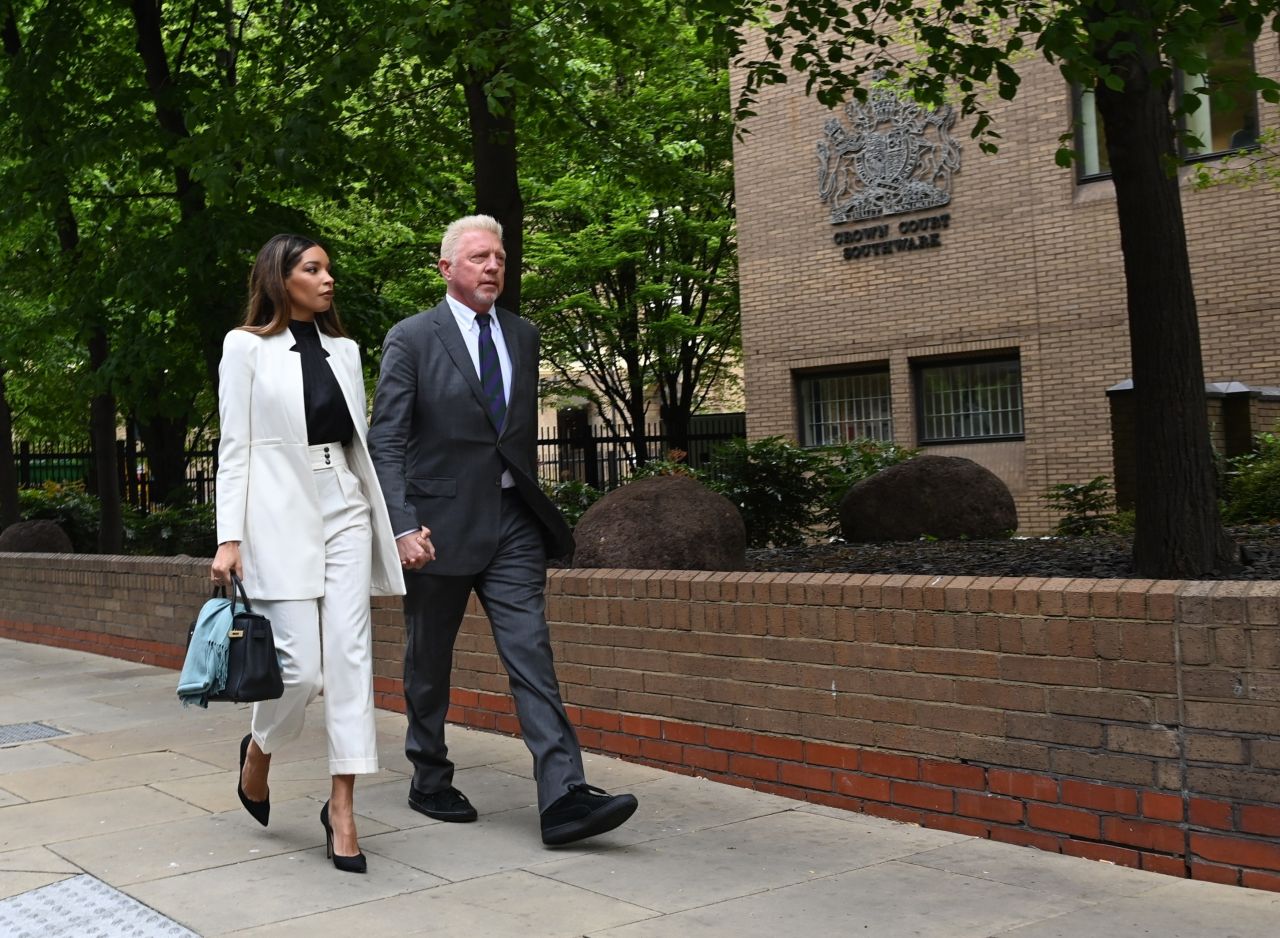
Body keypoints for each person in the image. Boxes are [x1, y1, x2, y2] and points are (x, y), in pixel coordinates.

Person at [368, 214, 638, 846]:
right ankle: (429, 776)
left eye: (500, 258)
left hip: (513, 521)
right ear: (446, 269)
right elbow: (386, 442)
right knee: (429, 661)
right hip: (436, 528)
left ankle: (564, 797)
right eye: (478, 257)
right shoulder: (412, 338)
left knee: (531, 653)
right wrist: (402, 526)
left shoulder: (522, 334)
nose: (493, 267)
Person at [210, 234, 406, 874]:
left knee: (350, 660)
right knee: (300, 671)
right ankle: (260, 751)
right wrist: (228, 537)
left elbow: (356, 443)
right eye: (313, 269)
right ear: (280, 277)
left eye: (328, 270)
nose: (328, 280)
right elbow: (234, 446)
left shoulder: (345, 351)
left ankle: (343, 807)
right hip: (275, 514)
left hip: (343, 504)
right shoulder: (245, 348)